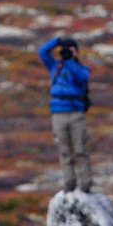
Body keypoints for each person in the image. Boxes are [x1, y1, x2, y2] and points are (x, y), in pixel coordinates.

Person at [39, 36, 92, 192]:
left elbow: (83, 77)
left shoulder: (80, 68)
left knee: (80, 149)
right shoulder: (54, 66)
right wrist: (57, 41)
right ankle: (69, 182)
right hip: (58, 113)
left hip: (76, 112)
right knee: (64, 150)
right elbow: (42, 51)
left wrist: (71, 60)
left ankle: (85, 183)